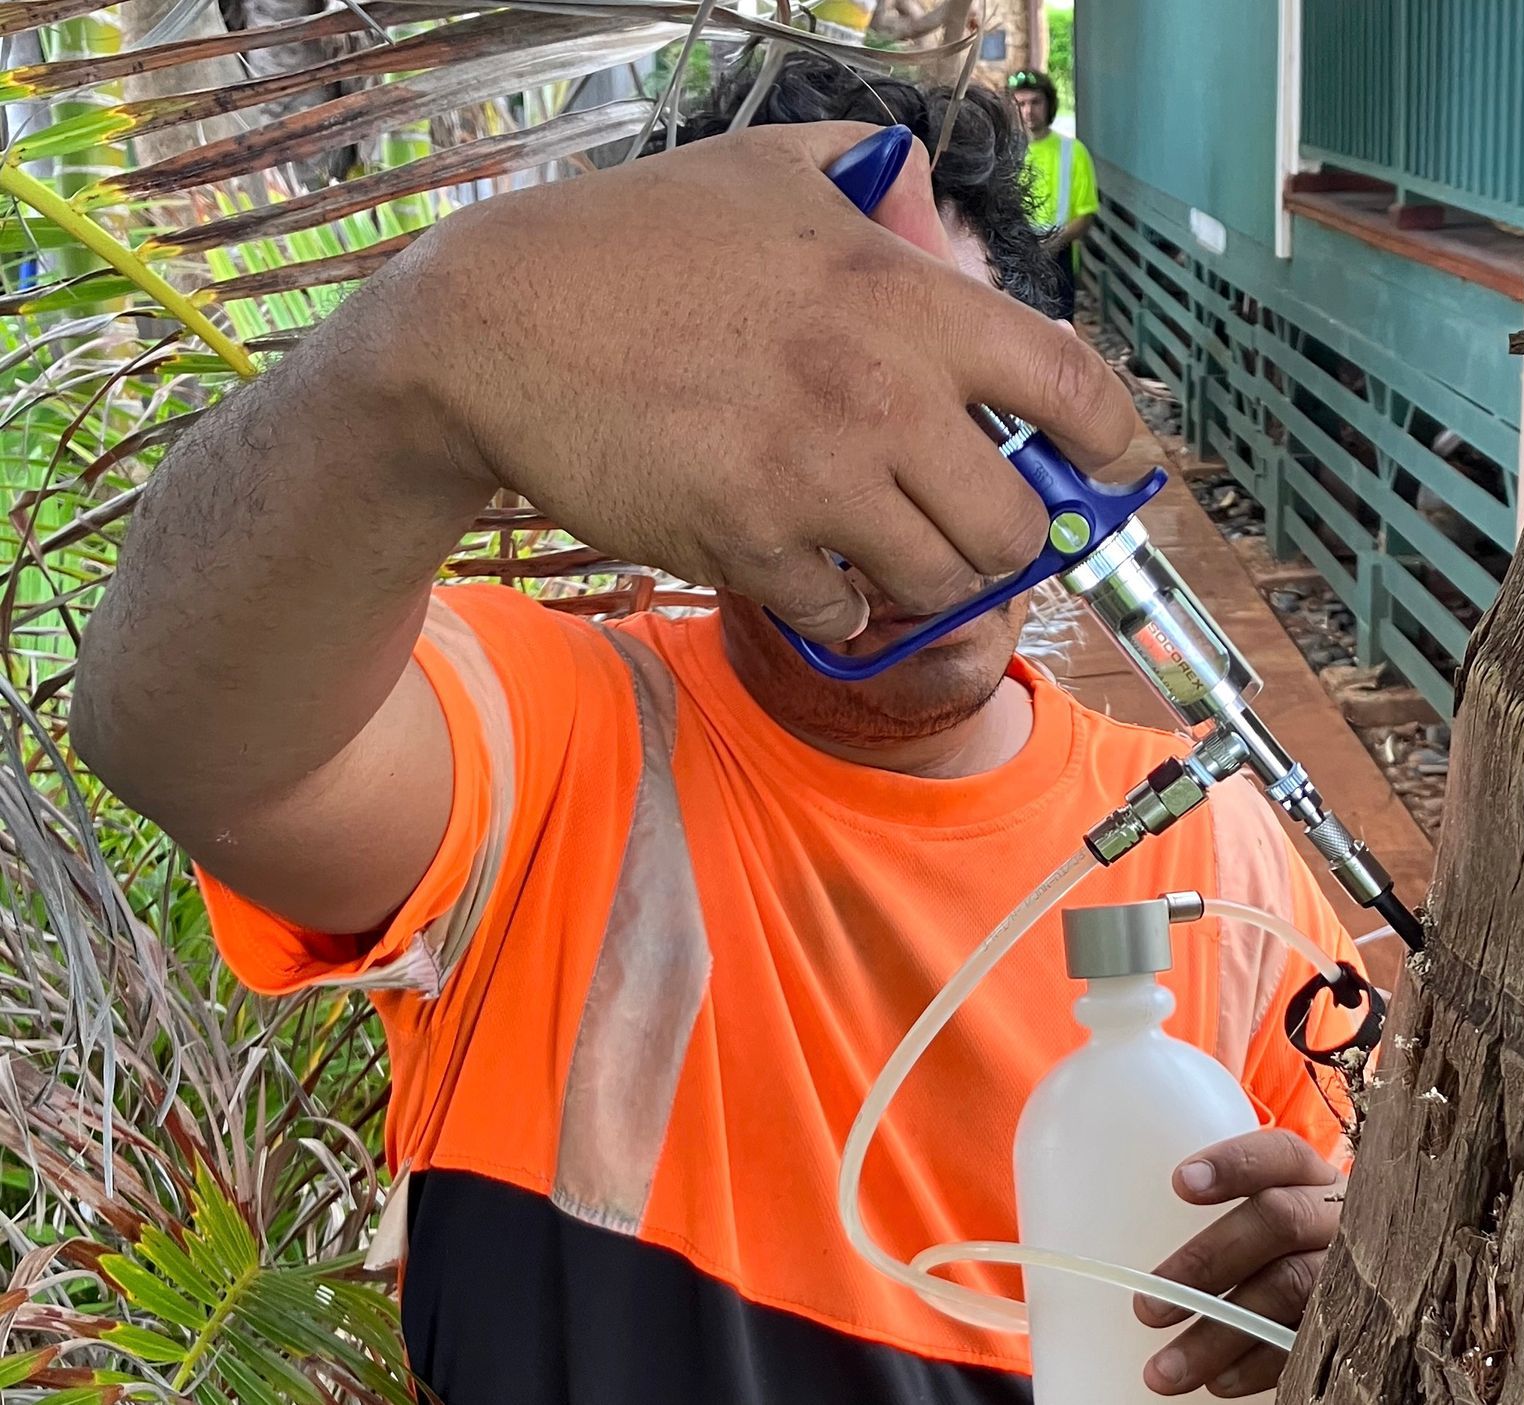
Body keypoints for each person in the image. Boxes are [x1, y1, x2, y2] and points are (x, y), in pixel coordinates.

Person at [72, 57, 1362, 1405]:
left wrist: (1344, 1295)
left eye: (966, 408)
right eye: (813, 404)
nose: (903, 485)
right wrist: (439, 341)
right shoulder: (550, 743)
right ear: (682, 441)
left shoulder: (1220, 858)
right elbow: (181, 730)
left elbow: (1368, 1239)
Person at [1007, 69, 1098, 318]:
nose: (1028, 110)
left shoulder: (1073, 152)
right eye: (1021, 103)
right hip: (1016, 258)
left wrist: (1051, 245)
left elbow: (1085, 214)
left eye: (1036, 102)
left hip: (1058, 259)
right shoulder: (1006, 154)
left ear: (1049, 104)